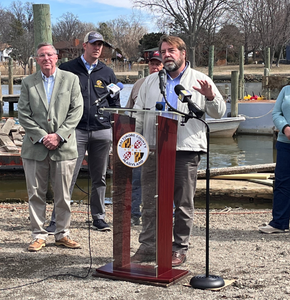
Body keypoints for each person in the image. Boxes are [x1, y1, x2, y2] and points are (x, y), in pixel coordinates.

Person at [132, 35, 226, 266]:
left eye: (171, 50)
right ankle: (148, 246)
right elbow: (138, 113)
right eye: (163, 51)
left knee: (182, 202)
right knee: (150, 199)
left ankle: (179, 248)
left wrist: (211, 97)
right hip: (154, 149)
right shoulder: (151, 81)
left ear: (183, 53)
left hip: (185, 148)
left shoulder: (201, 80)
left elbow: (219, 112)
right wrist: (137, 142)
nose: (166, 55)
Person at [45, 31, 120, 233]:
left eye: (100, 45)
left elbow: (115, 103)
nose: (97, 48)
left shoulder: (107, 72)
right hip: (73, 131)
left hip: (102, 131)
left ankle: (99, 217)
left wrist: (112, 125)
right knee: (66, 176)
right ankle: (57, 220)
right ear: (84, 45)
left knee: (100, 177)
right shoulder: (67, 69)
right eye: (94, 44)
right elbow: (56, 99)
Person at [18, 42, 83, 252]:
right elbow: (23, 115)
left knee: (63, 194)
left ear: (57, 57)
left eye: (49, 55)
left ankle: (62, 233)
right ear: (37, 60)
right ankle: (38, 234)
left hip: (63, 147)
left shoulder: (71, 80)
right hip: (35, 148)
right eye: (41, 55)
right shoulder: (28, 82)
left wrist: (59, 136)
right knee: (36, 193)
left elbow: (76, 111)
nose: (46, 58)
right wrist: (42, 136)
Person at [126, 50, 163, 226]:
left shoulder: (168, 85)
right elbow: (129, 112)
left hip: (162, 141)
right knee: (137, 178)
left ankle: (164, 213)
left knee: (163, 179)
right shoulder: (138, 84)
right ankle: (134, 213)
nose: (155, 67)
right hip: (139, 141)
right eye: (152, 64)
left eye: (158, 64)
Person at [259, 86, 290, 234]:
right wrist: (285, 128)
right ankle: (279, 222)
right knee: (282, 183)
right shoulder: (285, 90)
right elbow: (277, 113)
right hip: (285, 144)